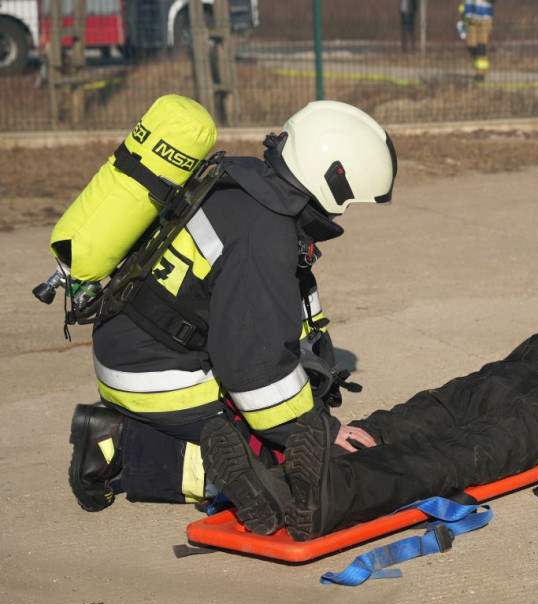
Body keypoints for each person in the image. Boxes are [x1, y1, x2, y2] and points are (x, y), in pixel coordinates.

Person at [67, 100, 399, 513]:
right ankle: (118, 446)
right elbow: (255, 372)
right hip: (153, 375)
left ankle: (141, 432)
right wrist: (321, 431)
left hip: (132, 342)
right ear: (333, 180)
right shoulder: (266, 234)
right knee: (284, 471)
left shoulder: (243, 181)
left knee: (276, 441)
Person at [199, 323, 538, 538]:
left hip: (513, 394)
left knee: (415, 439)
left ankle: (302, 491)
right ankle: (306, 489)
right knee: (424, 441)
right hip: (520, 396)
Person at [459, 0, 494, 81]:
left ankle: (480, 73)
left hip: (485, 17)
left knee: (482, 47)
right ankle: (479, 67)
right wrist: (462, 13)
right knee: (471, 46)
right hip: (471, 18)